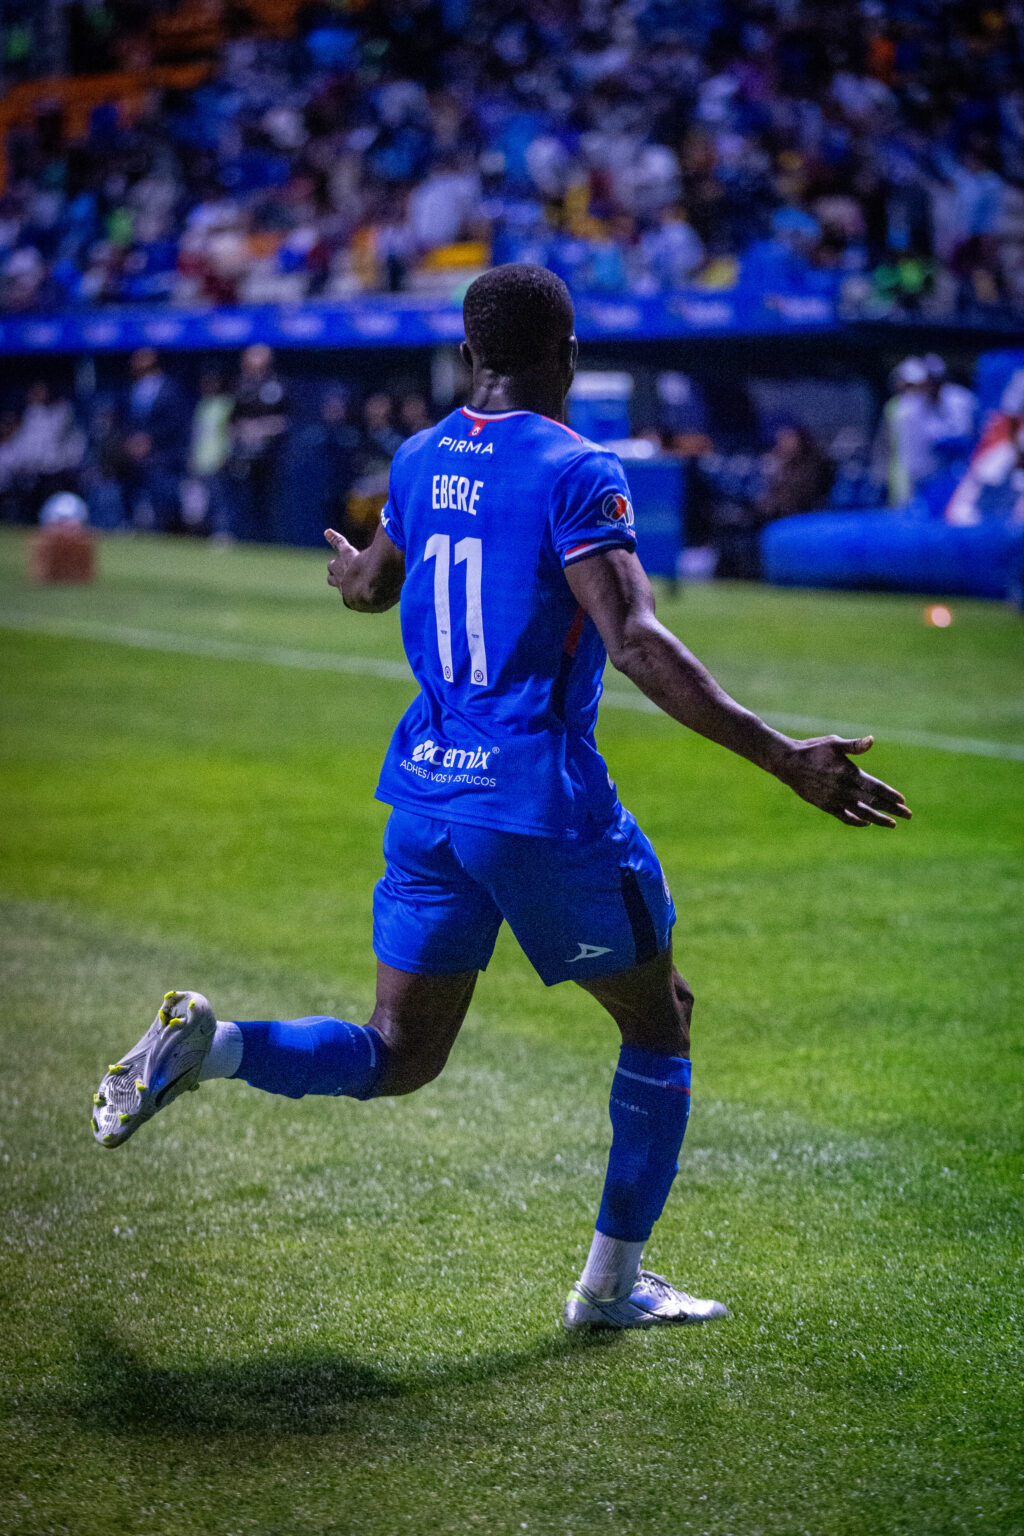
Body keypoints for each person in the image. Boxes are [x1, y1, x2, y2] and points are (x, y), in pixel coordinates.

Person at [92, 265, 911, 1331]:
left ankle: (219, 1044)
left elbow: (375, 580)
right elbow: (634, 642)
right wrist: (785, 759)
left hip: (428, 795)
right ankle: (609, 1289)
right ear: (565, 356)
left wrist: (350, 579)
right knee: (659, 1025)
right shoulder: (578, 469)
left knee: (399, 1054)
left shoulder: (421, 457)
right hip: (537, 802)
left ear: (470, 356)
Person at [228, 345, 290, 542]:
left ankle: (269, 541)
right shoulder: (239, 385)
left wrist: (262, 428)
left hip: (271, 456)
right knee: (243, 500)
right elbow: (232, 419)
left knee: (269, 502)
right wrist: (243, 431)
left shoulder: (277, 385)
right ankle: (242, 538)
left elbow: (287, 420)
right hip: (244, 453)